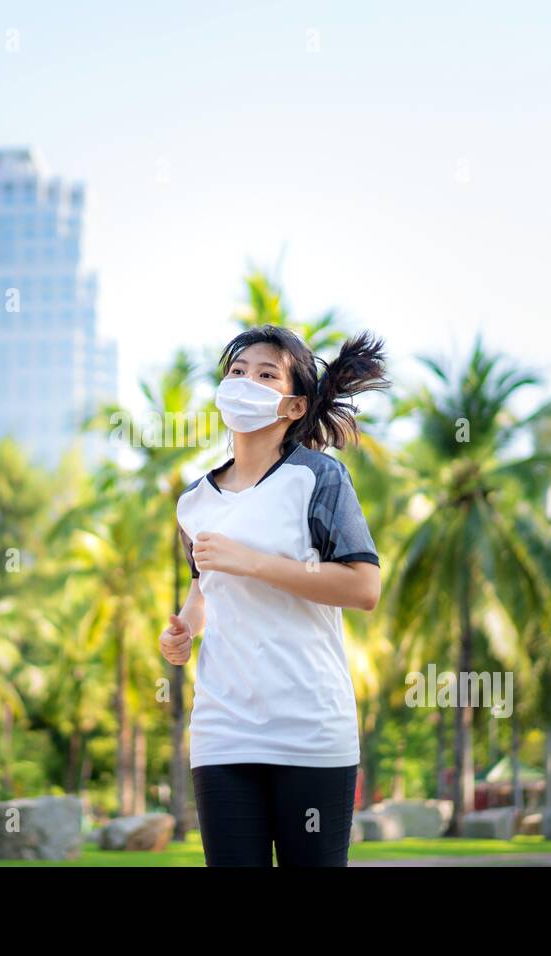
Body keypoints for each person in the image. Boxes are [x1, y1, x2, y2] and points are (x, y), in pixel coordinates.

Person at [160, 324, 389, 867]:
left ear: (293, 405)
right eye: (237, 372)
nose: (244, 382)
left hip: (309, 725)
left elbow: (363, 587)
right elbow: (203, 590)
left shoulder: (318, 478)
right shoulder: (194, 501)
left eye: (265, 375)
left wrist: (255, 563)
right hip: (223, 728)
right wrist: (186, 631)